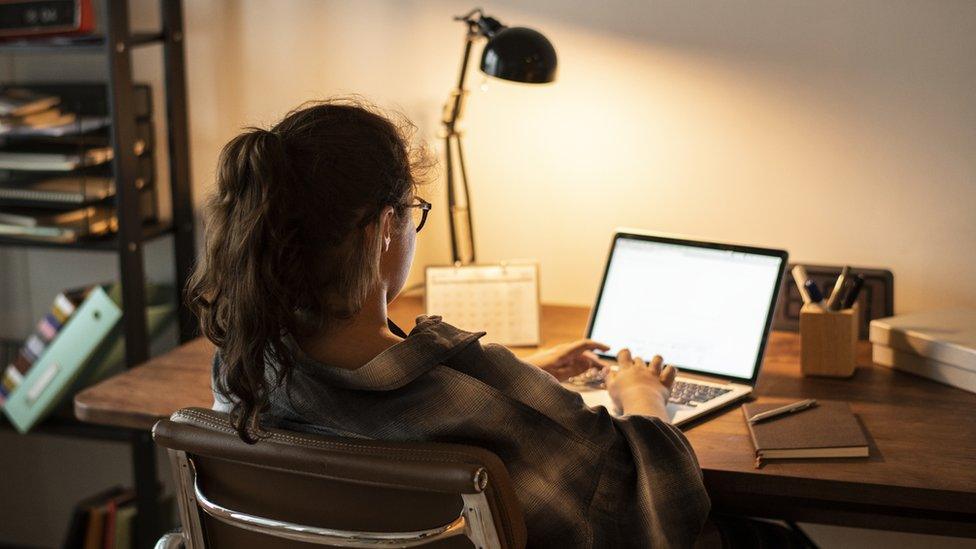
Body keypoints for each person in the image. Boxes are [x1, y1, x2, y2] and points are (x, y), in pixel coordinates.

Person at [187, 99, 710, 547]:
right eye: (412, 210)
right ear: (384, 229)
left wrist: (517, 377)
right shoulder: (475, 395)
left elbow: (376, 409)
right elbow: (654, 495)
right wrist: (643, 395)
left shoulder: (242, 372)